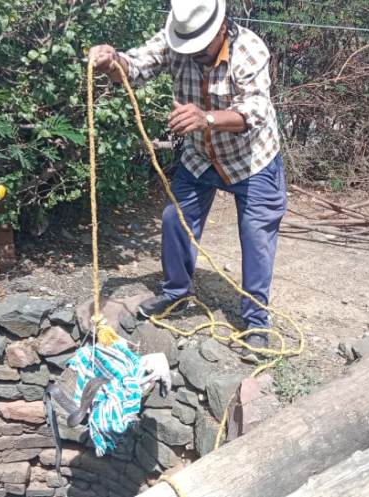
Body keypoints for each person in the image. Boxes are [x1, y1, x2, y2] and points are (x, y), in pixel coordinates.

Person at [88, 0, 286, 356]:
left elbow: (256, 110)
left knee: (256, 238)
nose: (193, 52)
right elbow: (134, 66)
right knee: (174, 220)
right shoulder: (174, 40)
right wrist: (110, 60)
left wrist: (206, 118)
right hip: (200, 157)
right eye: (188, 45)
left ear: (222, 26)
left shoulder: (251, 49)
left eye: (201, 44)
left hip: (252, 159)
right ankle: (176, 294)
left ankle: (257, 321)